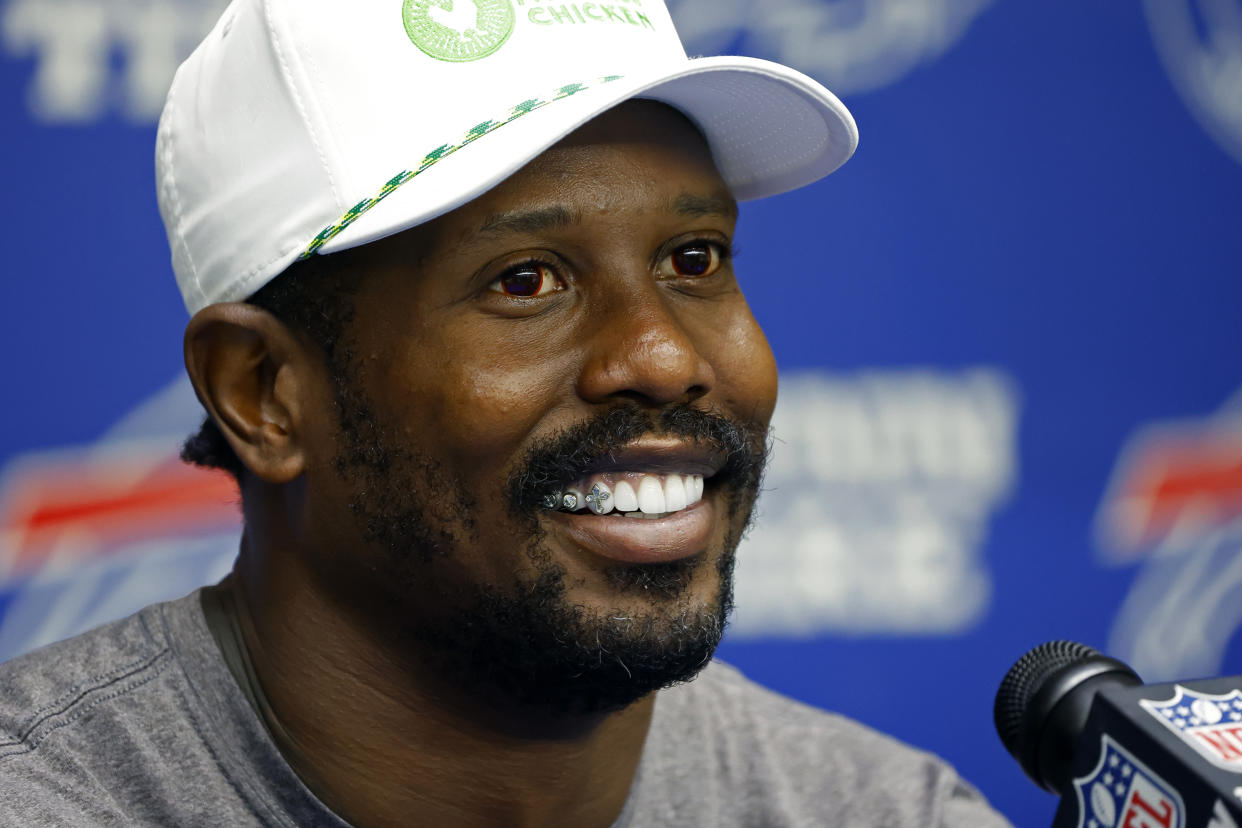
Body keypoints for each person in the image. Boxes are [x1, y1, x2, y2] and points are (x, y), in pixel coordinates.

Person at [0, 1, 1012, 825]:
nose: (663, 356)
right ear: (263, 392)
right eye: (527, 280)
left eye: (694, 259)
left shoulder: (878, 809)